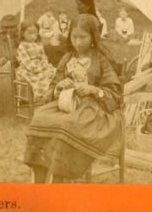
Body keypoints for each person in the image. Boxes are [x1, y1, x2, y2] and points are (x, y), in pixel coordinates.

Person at [24, 15, 122, 183]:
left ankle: (59, 180)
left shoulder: (101, 59)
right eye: (74, 37)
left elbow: (116, 94)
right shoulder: (67, 58)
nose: (78, 42)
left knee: (67, 126)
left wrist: (94, 89)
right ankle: (39, 181)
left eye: (83, 37)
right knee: (39, 118)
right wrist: (59, 87)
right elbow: (50, 90)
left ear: (93, 37)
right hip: (66, 104)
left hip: (95, 109)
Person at [16, 22, 56, 104]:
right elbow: (25, 61)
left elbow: (43, 57)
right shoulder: (22, 46)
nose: (33, 35)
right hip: (29, 69)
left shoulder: (39, 44)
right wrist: (37, 69)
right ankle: (39, 97)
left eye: (35, 32)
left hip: (41, 66)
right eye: (29, 33)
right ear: (23, 34)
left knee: (52, 72)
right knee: (38, 78)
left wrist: (44, 65)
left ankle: (49, 95)